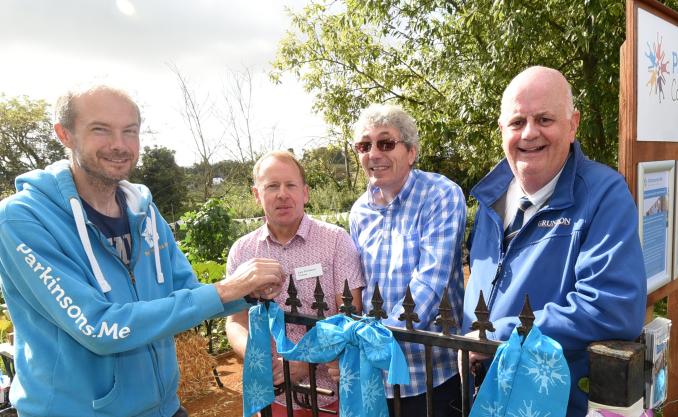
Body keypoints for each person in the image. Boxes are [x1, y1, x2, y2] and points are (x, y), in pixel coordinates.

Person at [0, 85, 284, 417]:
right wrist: (228, 288)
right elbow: (99, 328)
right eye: (100, 130)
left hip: (163, 407)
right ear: (66, 135)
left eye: (129, 131)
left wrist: (246, 293)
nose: (119, 144)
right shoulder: (22, 220)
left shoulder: (144, 211)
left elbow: (187, 292)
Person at [462, 66, 647, 417]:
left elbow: (613, 308)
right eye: (517, 122)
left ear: (573, 124)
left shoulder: (604, 194)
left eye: (544, 119)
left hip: (555, 403)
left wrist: (499, 335)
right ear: (502, 130)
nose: (529, 133)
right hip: (486, 397)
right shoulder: (489, 199)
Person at [225, 150, 365, 417]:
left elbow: (350, 316)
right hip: (272, 395)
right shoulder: (242, 251)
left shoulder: (336, 241)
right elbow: (236, 321)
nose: (282, 194)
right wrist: (259, 357)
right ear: (257, 195)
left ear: (305, 193)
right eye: (272, 186)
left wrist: (304, 361)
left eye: (290, 185)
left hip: (332, 395)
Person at [349, 104, 466, 417]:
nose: (373, 153)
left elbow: (430, 283)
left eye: (386, 143)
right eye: (364, 145)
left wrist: (378, 341)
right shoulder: (359, 212)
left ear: (411, 152)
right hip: (377, 379)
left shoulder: (441, 194)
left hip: (431, 375)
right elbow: (358, 287)